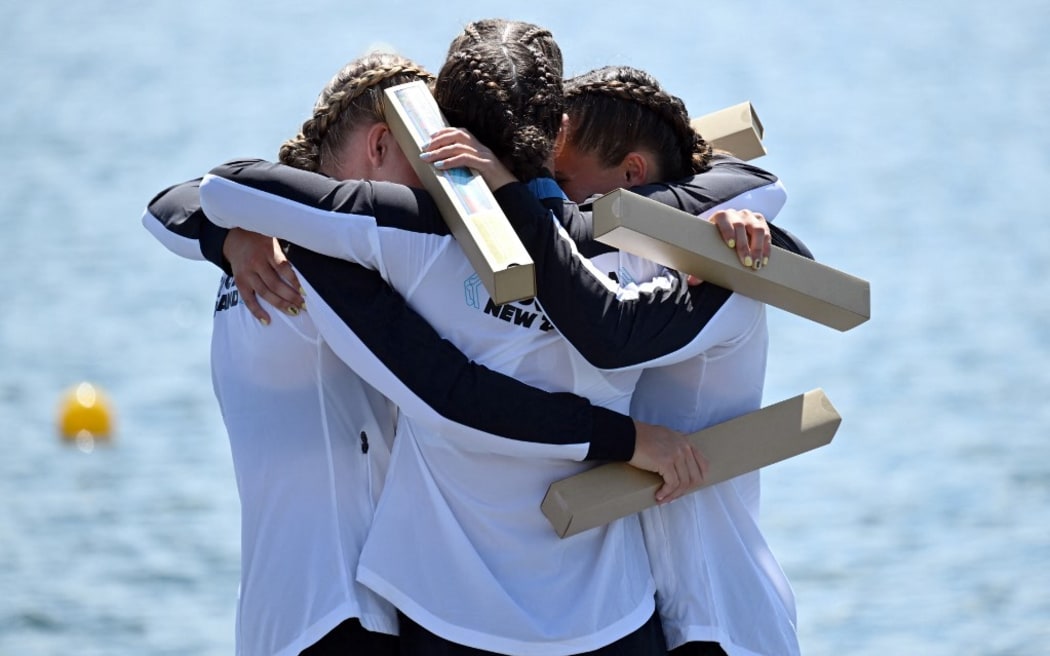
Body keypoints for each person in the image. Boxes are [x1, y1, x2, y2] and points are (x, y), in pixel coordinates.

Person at [192, 19, 786, 655]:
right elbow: (758, 187)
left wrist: (226, 231)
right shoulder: (646, 249)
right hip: (615, 615)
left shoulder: (403, 240)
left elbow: (224, 187)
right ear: (553, 132)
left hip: (444, 610)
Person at [425, 64, 811, 655]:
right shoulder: (621, 264)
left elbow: (612, 332)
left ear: (631, 175)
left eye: (559, 181)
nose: (552, 200)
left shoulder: (722, 266)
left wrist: (516, 192)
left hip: (721, 614)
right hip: (647, 610)